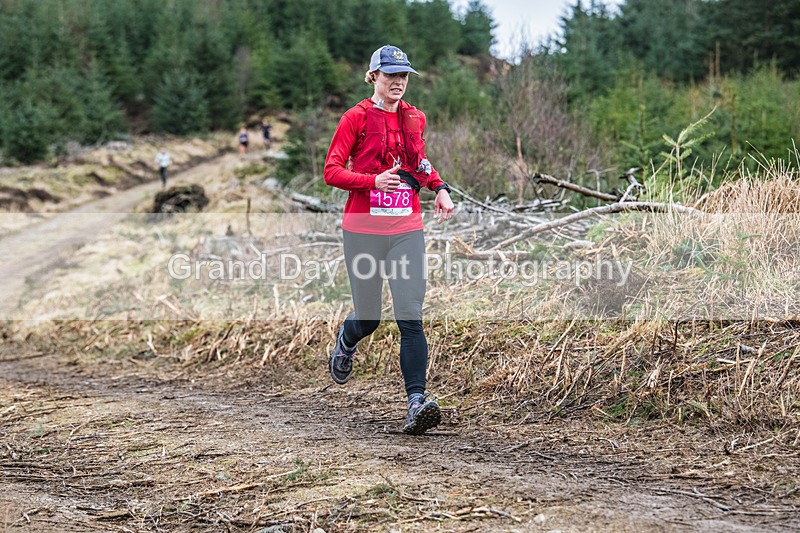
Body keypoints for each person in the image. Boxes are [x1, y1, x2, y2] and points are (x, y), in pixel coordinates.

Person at [323, 44, 455, 435]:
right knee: (369, 318)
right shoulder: (355, 118)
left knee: (410, 315)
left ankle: (416, 403)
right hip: (363, 231)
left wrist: (439, 187)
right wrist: (372, 181)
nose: (398, 82)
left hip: (405, 229)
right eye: (390, 75)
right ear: (373, 76)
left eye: (403, 76)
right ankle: (347, 340)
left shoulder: (415, 117)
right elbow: (331, 171)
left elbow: (419, 163)